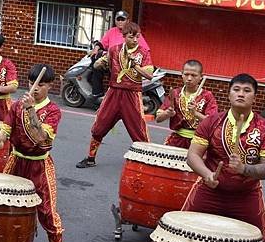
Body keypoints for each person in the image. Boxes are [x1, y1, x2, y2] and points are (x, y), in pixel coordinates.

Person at [137, 73, 265, 242]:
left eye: (247, 90)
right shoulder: (212, 122)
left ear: (254, 97)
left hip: (246, 195)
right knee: (176, 232)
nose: (241, 93)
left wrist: (245, 169)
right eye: (236, 89)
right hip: (210, 190)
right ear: (229, 94)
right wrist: (206, 174)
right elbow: (193, 154)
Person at [0, 64, 65, 242]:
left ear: (49, 86)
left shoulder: (53, 111)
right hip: (17, 162)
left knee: (47, 214)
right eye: (33, 84)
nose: (35, 89)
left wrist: (31, 109)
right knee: (3, 206)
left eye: (41, 85)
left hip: (39, 166)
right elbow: (5, 128)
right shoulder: (16, 106)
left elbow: (42, 137)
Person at [77, 22, 153, 168]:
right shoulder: (114, 50)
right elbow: (98, 65)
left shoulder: (143, 52)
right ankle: (90, 158)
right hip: (113, 92)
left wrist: (135, 66)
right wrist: (101, 61)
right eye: (131, 37)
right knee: (99, 126)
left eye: (137, 37)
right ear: (124, 37)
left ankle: (147, 162)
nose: (135, 40)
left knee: (139, 131)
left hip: (132, 94)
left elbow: (149, 75)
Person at [155, 60, 218, 149]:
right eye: (186, 74)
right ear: (182, 74)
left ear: (201, 77)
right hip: (177, 140)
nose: (189, 78)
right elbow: (158, 119)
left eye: (194, 75)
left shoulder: (207, 96)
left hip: (199, 141)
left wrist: (195, 113)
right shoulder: (175, 93)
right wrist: (167, 113)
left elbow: (213, 123)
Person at [89, 10, 150, 97]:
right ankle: (97, 94)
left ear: (128, 21)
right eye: (118, 19)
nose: (120, 22)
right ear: (115, 20)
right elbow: (102, 43)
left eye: (123, 19)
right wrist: (96, 49)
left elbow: (145, 49)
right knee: (96, 66)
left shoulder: (133, 32)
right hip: (111, 60)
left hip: (127, 63)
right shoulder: (111, 31)